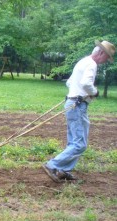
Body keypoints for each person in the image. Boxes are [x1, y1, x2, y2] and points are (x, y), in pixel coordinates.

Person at [42, 40, 116, 183]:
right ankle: (52, 165)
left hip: (73, 103)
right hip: (77, 105)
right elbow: (86, 84)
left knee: (74, 141)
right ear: (101, 53)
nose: (105, 61)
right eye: (106, 58)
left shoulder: (83, 61)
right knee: (79, 144)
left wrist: (76, 92)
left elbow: (70, 82)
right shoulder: (92, 64)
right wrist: (95, 92)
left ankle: (64, 170)